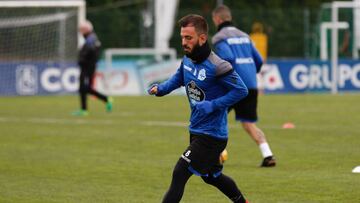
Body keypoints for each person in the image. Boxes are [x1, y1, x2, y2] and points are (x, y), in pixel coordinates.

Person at [148, 14, 249, 203]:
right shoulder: (188, 60)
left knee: (180, 171)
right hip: (196, 129)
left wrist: (213, 105)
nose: (183, 42)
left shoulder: (218, 66)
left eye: (188, 38)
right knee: (212, 177)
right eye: (182, 37)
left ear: (202, 38)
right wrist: (160, 89)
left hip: (212, 136)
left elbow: (241, 91)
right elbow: (178, 79)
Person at [212, 5, 276, 167]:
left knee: (215, 116)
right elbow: (259, 60)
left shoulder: (219, 38)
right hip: (251, 85)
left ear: (217, 19)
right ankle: (268, 155)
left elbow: (227, 57)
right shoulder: (245, 36)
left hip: (233, 85)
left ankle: (217, 153)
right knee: (248, 123)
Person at [72, 20, 112, 116]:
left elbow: (91, 51)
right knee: (86, 88)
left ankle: (84, 109)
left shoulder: (91, 39)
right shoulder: (92, 38)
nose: (80, 32)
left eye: (81, 29)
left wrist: (82, 59)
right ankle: (105, 99)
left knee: (83, 87)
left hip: (87, 66)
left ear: (86, 29)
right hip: (89, 66)